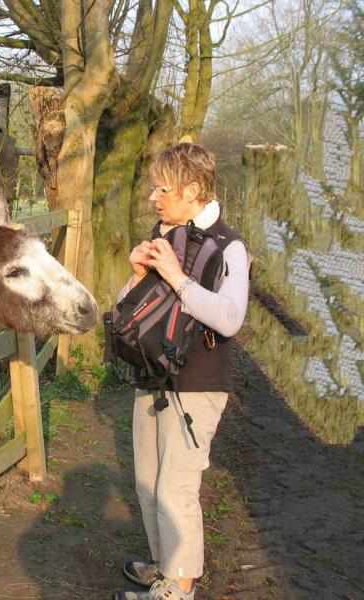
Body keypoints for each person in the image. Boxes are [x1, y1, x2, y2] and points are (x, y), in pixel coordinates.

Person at [114, 143, 250, 600]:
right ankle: (163, 568)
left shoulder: (230, 247)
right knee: (148, 481)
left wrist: (177, 277)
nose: (154, 196)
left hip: (197, 387)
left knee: (176, 487)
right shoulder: (164, 237)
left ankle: (180, 589)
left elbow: (230, 318)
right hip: (152, 377)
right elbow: (127, 311)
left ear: (192, 189)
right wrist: (136, 277)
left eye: (163, 187)